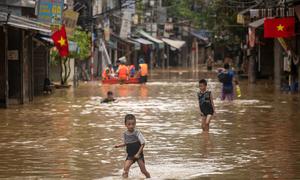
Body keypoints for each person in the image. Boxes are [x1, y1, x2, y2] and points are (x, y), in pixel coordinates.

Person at [114, 114, 151, 178]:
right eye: (129, 124)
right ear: (125, 124)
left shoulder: (137, 133)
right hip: (130, 155)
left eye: (133, 124)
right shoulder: (125, 134)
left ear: (135, 124)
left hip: (139, 155)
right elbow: (126, 143)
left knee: (143, 171)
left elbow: (143, 143)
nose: (131, 126)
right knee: (125, 170)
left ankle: (150, 178)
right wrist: (118, 146)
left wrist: (138, 154)